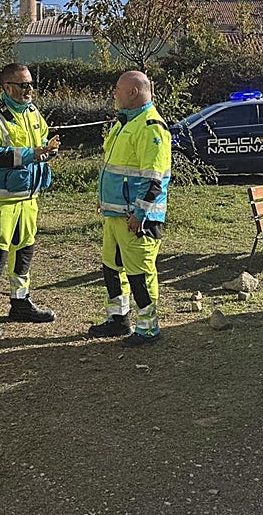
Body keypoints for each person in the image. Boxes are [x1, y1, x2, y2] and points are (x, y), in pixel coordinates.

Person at [0, 63, 61, 340]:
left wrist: (49, 151)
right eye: (23, 85)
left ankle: (20, 303)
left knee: (24, 252)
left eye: (31, 84)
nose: (30, 90)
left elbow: (43, 141)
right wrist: (30, 154)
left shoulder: (33, 112)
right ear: (7, 87)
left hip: (28, 198)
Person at [88, 70, 171, 346]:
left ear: (133, 92)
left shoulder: (150, 127)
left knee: (140, 273)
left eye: (118, 89)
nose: (114, 93)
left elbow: (154, 179)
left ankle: (148, 327)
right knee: (112, 267)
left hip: (137, 219)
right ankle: (118, 319)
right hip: (116, 215)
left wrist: (140, 213)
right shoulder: (124, 122)